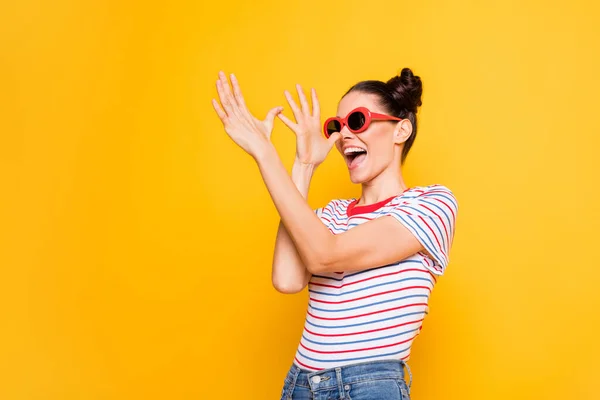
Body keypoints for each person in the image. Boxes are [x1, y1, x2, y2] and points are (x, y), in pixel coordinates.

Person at [212, 67, 458, 400]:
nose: (343, 136)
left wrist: (265, 153)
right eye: (335, 126)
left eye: (356, 121)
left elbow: (325, 255)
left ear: (400, 130)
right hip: (301, 385)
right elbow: (287, 279)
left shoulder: (430, 205)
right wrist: (304, 163)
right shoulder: (330, 215)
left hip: (368, 387)